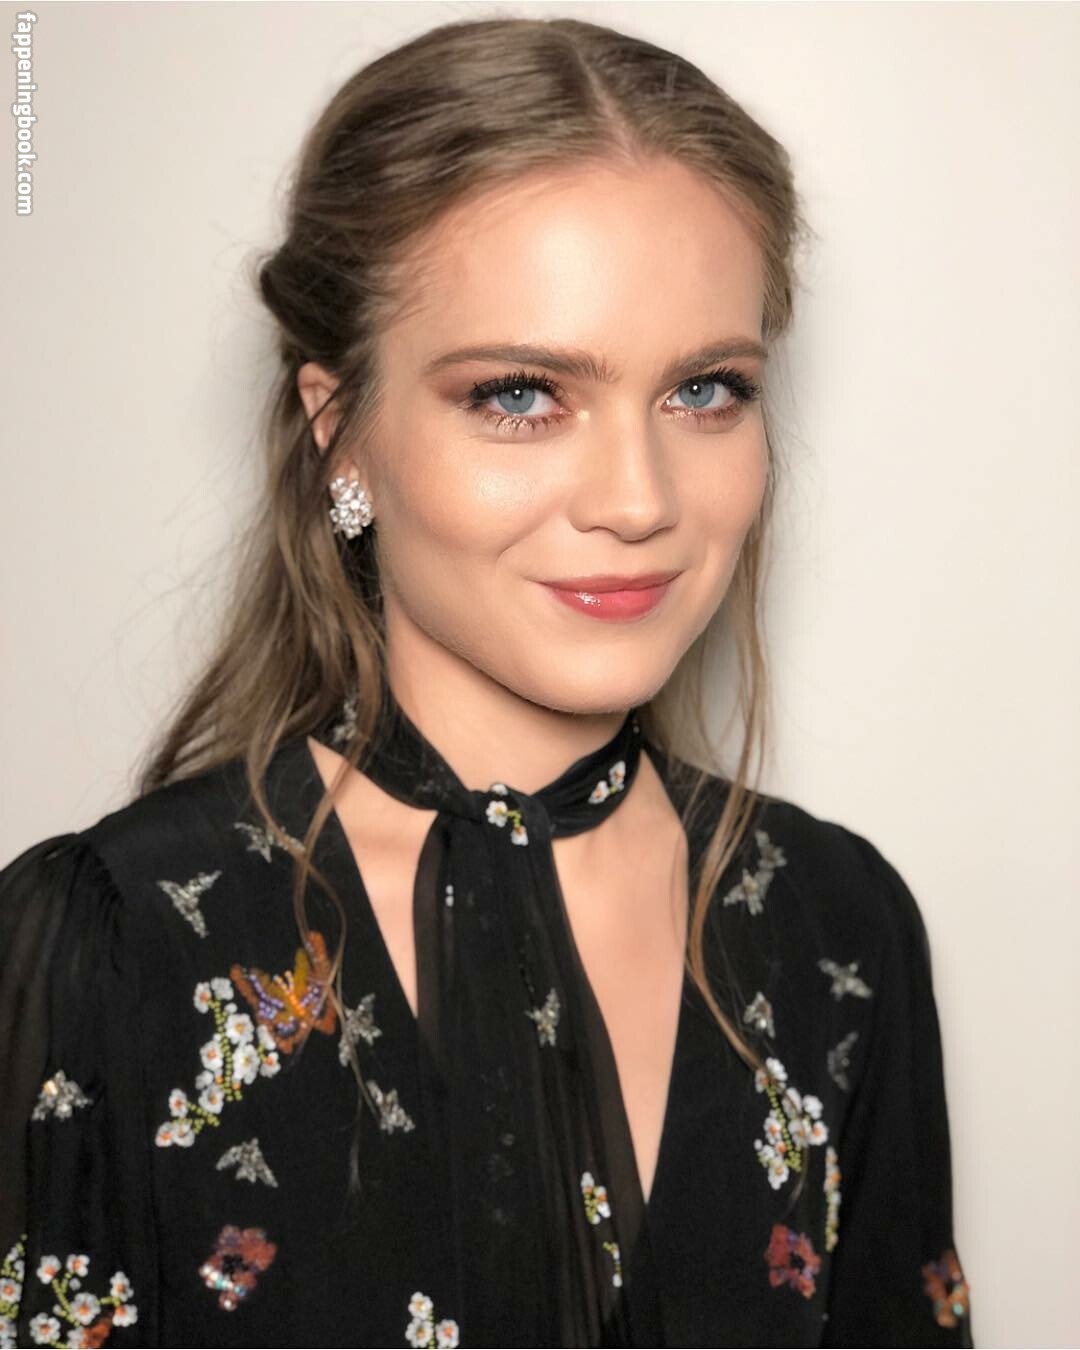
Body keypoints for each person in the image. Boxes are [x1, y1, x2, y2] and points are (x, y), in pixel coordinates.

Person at [0, 15, 973, 1349]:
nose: (638, 499)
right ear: (339, 427)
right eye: (520, 394)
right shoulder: (113, 946)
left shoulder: (840, 928)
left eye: (705, 390)